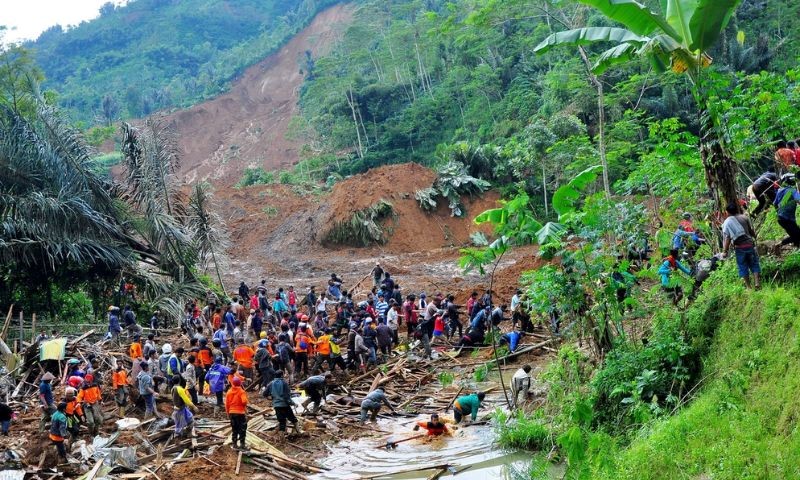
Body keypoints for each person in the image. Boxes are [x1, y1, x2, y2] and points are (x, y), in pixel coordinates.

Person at [721, 202, 761, 289]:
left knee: (743, 266)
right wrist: (755, 236)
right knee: (754, 263)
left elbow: (727, 238)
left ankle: (748, 287)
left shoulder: (727, 222)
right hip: (749, 244)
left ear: (727, 212)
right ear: (737, 209)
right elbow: (750, 230)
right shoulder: (744, 217)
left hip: (740, 248)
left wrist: (725, 251)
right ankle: (757, 283)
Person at [266, 370, 300, 437]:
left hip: (276, 405)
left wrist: (270, 398)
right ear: (282, 375)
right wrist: (293, 403)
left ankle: (281, 438)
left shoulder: (271, 383)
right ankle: (299, 431)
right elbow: (287, 397)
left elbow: (264, 393)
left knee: (282, 421)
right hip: (285, 405)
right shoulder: (284, 383)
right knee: (293, 419)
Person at [774, 174, 800, 247]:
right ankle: (778, 245)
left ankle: (779, 245)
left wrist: (780, 212)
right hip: (787, 218)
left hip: (781, 218)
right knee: (797, 235)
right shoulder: (792, 190)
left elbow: (775, 203)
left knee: (795, 236)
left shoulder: (780, 190)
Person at [226, 376, 249, 450]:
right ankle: (242, 444)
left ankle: (234, 444)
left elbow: (227, 404)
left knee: (234, 428)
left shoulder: (229, 392)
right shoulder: (241, 391)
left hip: (232, 412)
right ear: (240, 383)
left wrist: (228, 413)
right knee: (242, 429)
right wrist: (244, 407)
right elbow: (244, 401)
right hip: (240, 413)